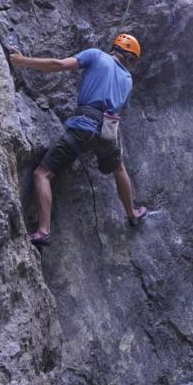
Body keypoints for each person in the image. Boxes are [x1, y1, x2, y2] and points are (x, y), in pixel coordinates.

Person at [9, 34, 148, 247]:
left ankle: (44, 230)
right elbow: (120, 108)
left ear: (115, 46)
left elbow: (59, 65)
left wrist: (23, 61)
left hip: (84, 125)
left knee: (42, 174)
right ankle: (132, 214)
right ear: (131, 59)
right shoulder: (128, 80)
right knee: (119, 168)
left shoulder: (96, 55)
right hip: (108, 133)